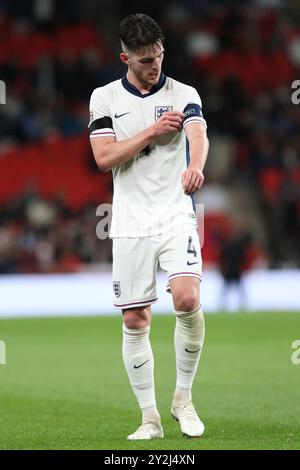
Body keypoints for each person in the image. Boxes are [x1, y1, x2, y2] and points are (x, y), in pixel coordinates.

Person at [89, 13, 209, 440]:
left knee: (187, 297)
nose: (154, 66)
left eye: (158, 57)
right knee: (136, 320)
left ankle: (184, 399)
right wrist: (152, 132)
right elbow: (104, 158)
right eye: (144, 61)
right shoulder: (104, 99)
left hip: (176, 211)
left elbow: (198, 133)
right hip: (129, 220)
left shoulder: (183, 92)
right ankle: (150, 418)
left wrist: (195, 166)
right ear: (125, 57)